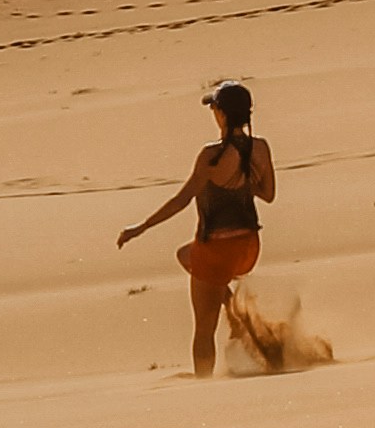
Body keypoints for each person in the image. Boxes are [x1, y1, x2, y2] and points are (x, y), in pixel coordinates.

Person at [116, 81, 276, 376]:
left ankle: (203, 384)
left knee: (204, 326)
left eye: (214, 107)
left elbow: (182, 199)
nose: (213, 112)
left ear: (222, 114)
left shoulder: (211, 155)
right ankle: (232, 305)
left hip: (216, 249)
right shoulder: (261, 148)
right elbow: (268, 194)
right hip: (248, 246)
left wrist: (142, 227)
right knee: (184, 255)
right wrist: (243, 183)